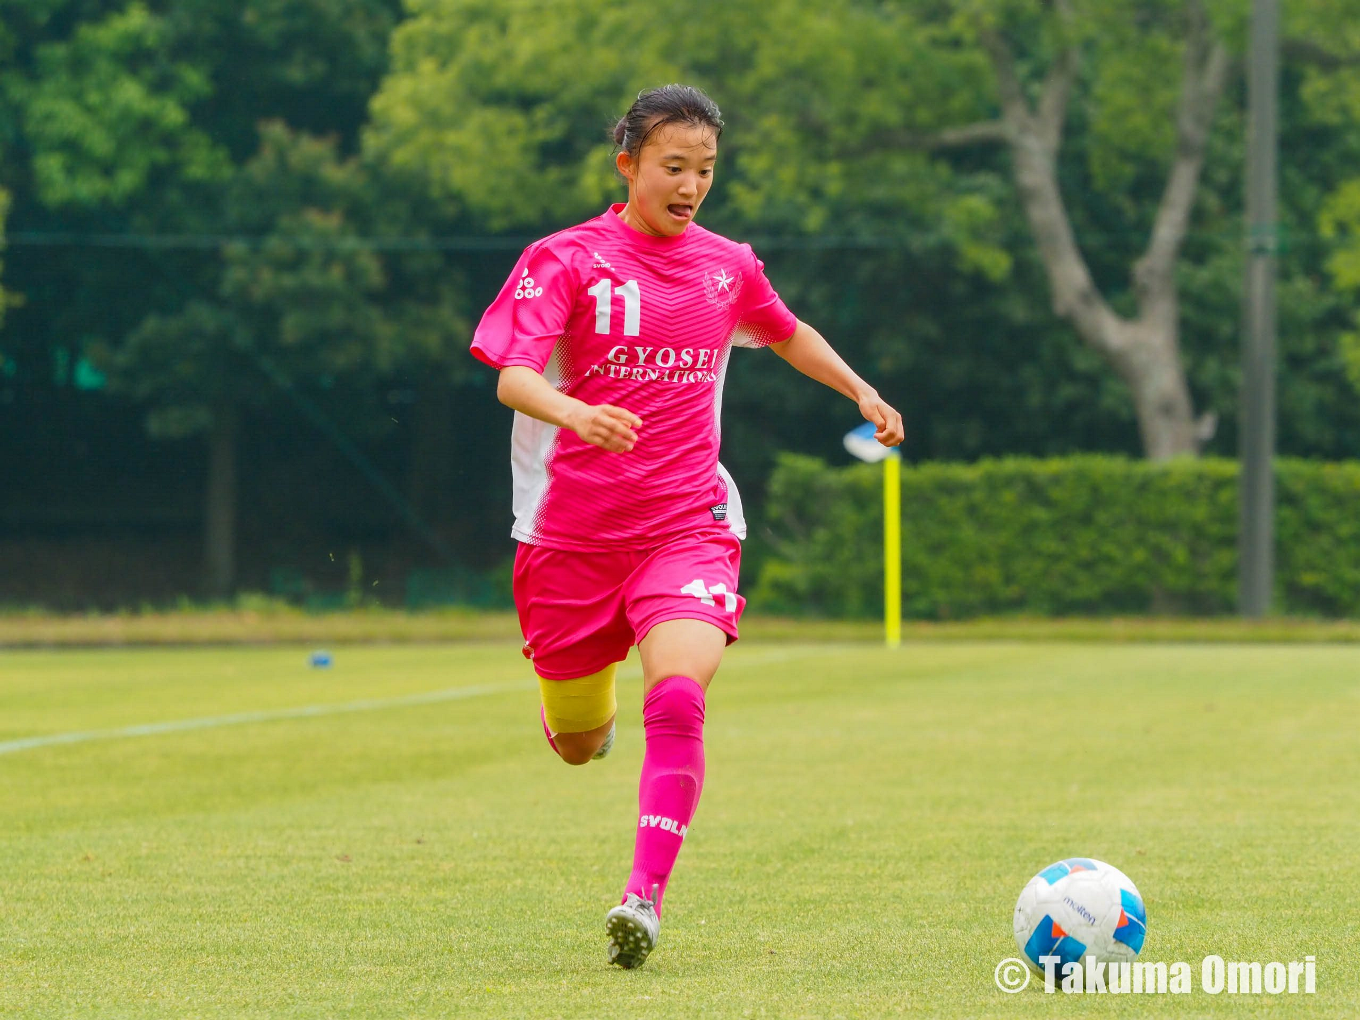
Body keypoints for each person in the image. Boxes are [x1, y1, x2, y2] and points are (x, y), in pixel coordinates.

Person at [470, 84, 903, 968]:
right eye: (674, 166)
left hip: (688, 525)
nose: (691, 184)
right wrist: (576, 413)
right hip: (568, 543)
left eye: (704, 169)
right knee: (580, 742)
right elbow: (513, 378)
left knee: (678, 692)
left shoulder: (726, 264)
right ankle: (584, 720)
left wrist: (860, 389)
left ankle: (643, 899)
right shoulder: (565, 259)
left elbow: (785, 332)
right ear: (627, 162)